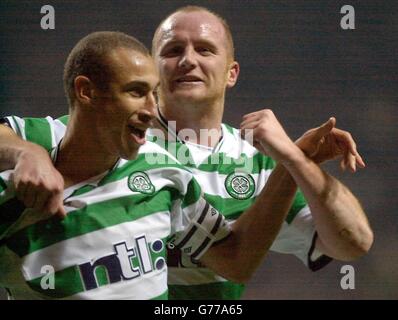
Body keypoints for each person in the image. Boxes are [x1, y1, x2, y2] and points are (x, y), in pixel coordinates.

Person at [0, 7, 374, 300]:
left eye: (205, 49)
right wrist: (25, 153)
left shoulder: (258, 166)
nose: (188, 60)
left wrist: (296, 160)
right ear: (154, 69)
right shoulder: (96, 134)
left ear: (232, 72)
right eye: (173, 50)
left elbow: (353, 243)